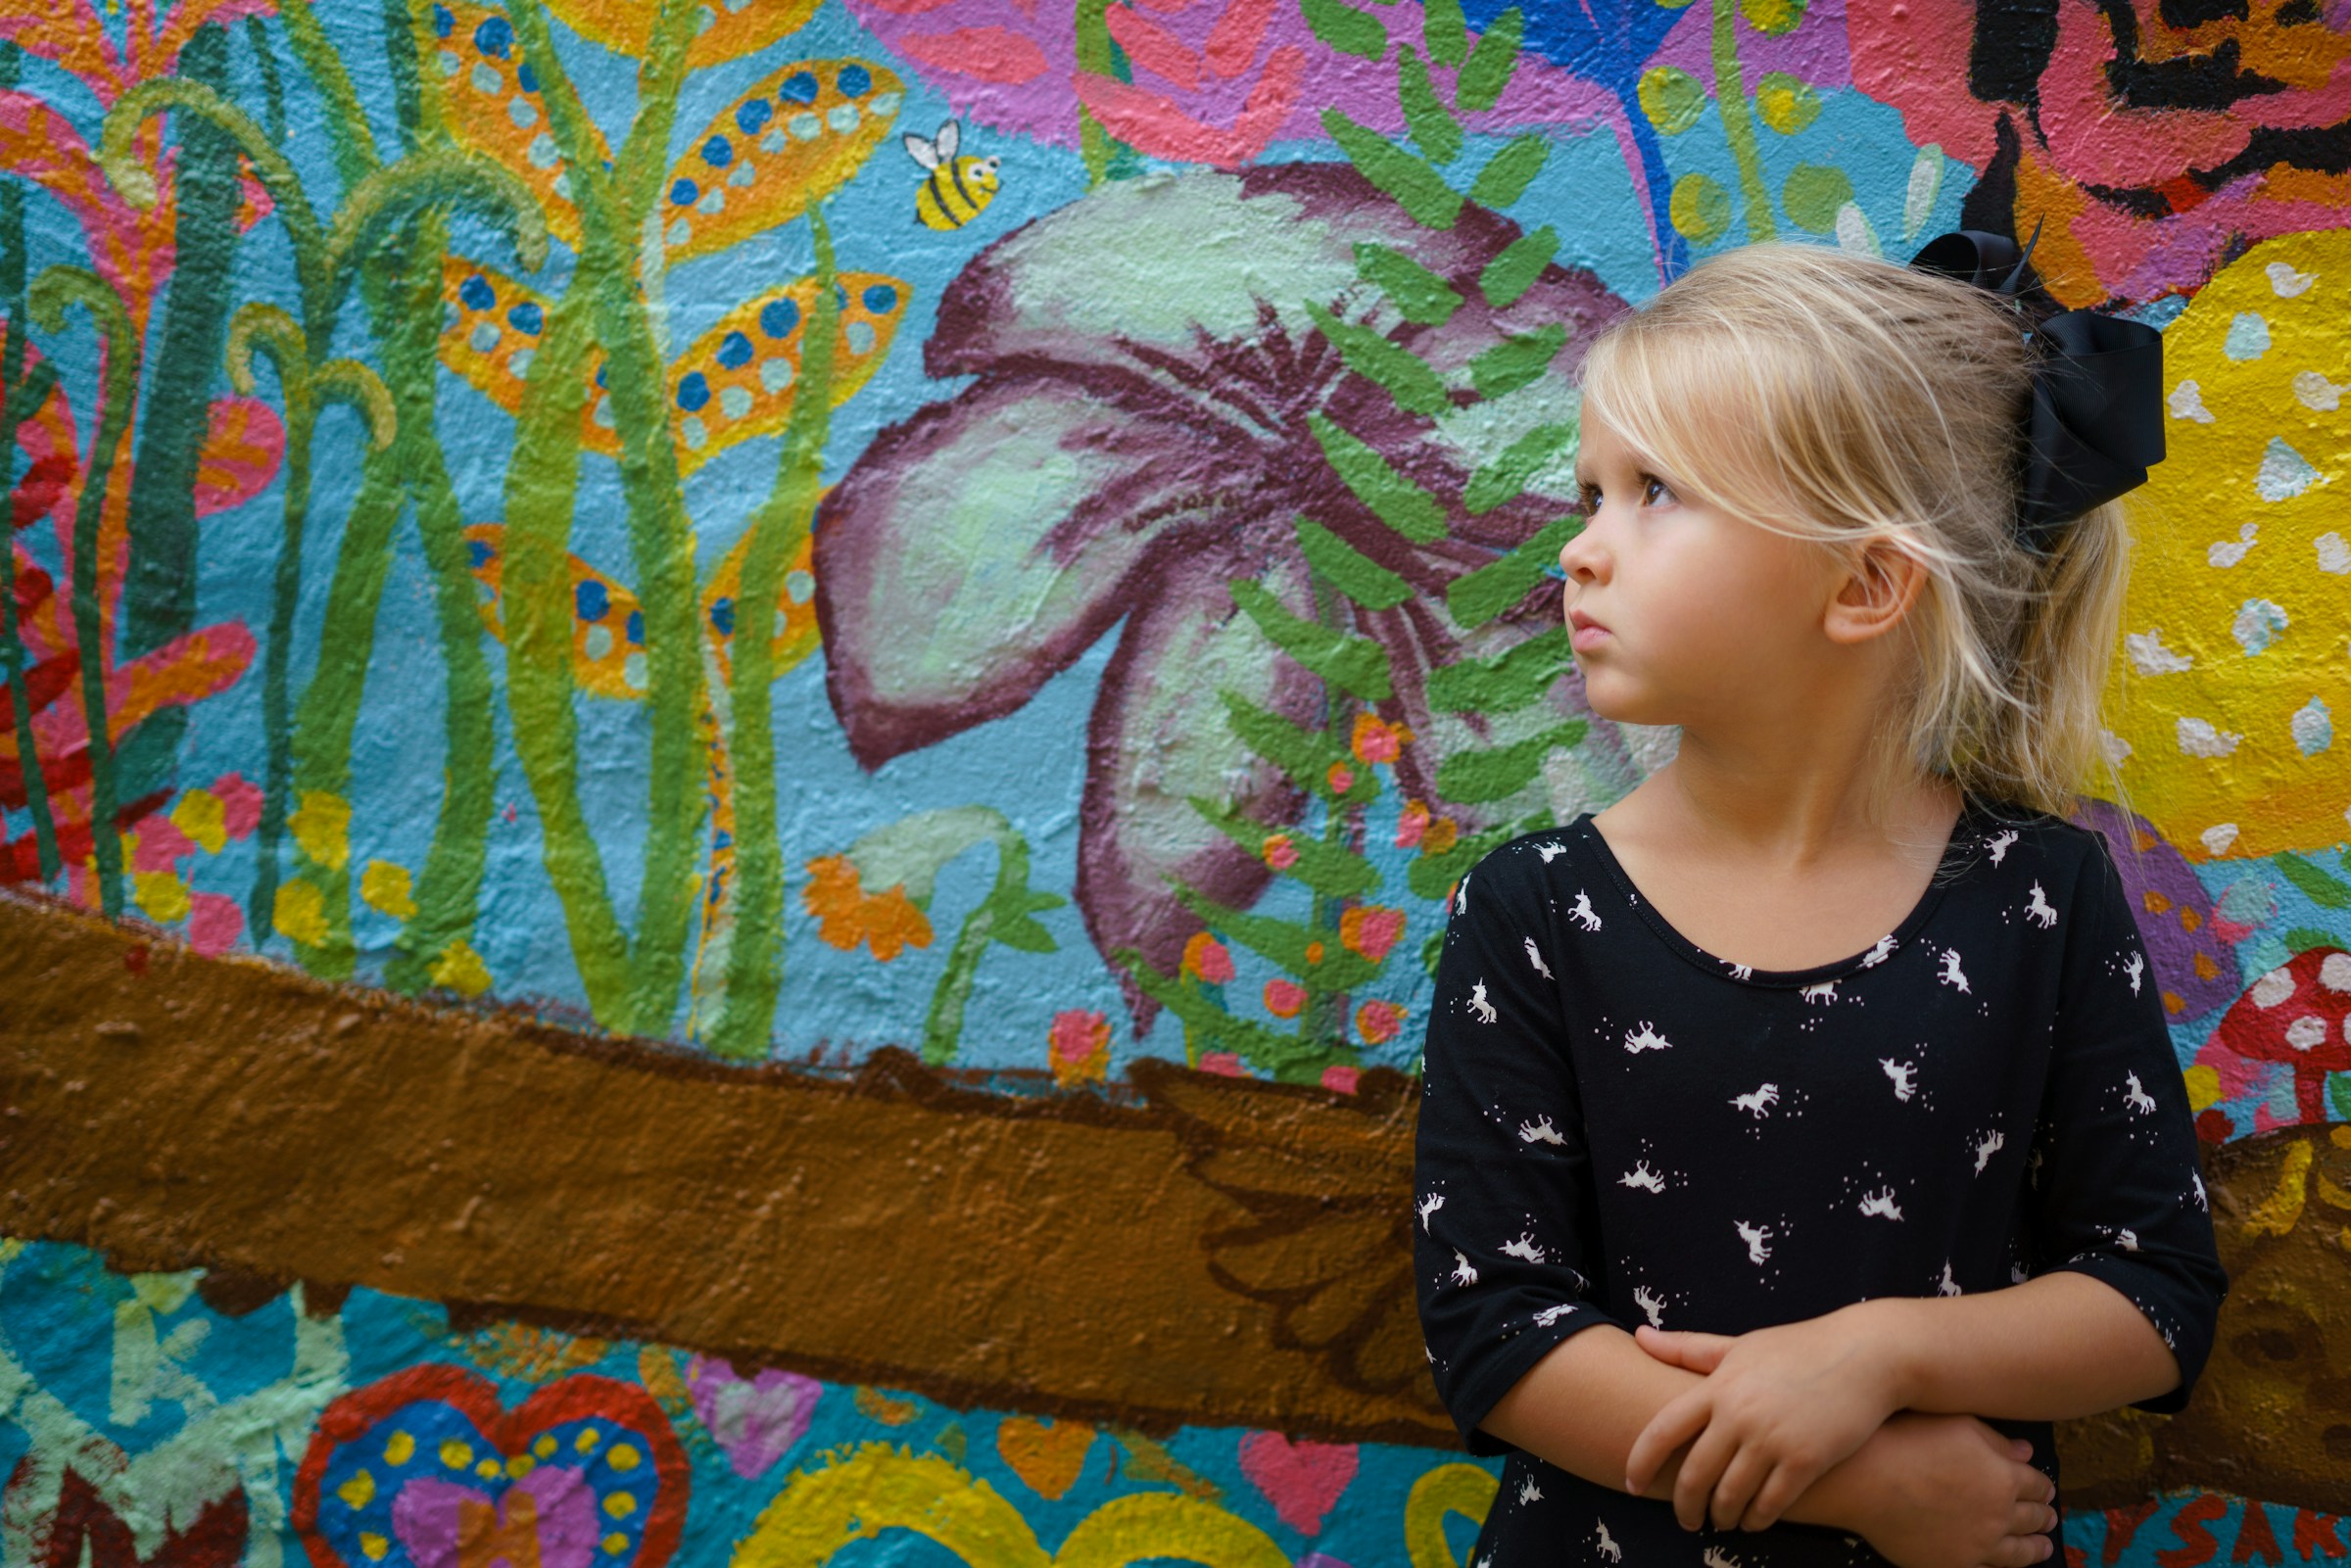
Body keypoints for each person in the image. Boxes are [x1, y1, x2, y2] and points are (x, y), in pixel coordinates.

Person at [1411, 230, 2227, 1568]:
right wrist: (1854, 1485)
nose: (1582, 551)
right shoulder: (1535, 912)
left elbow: (2153, 1296)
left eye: (1654, 493)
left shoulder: (2040, 899)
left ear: (1863, 583)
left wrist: (1878, 1352)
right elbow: (1497, 1329)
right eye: (1592, 492)